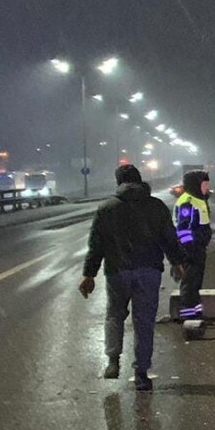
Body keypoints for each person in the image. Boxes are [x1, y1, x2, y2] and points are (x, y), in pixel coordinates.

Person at [79, 164, 186, 391]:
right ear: (140, 180)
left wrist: (89, 274)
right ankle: (141, 374)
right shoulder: (156, 206)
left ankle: (113, 360)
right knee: (144, 323)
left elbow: (96, 244)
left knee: (114, 316)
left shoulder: (107, 208)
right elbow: (169, 238)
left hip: (117, 272)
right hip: (148, 271)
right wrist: (177, 262)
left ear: (119, 182)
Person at [173, 168, 213, 322]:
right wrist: (190, 250)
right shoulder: (188, 202)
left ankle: (196, 313)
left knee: (195, 283)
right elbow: (183, 230)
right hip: (191, 251)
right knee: (189, 284)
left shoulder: (199, 200)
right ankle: (188, 316)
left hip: (197, 249)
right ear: (196, 184)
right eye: (205, 184)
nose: (207, 187)